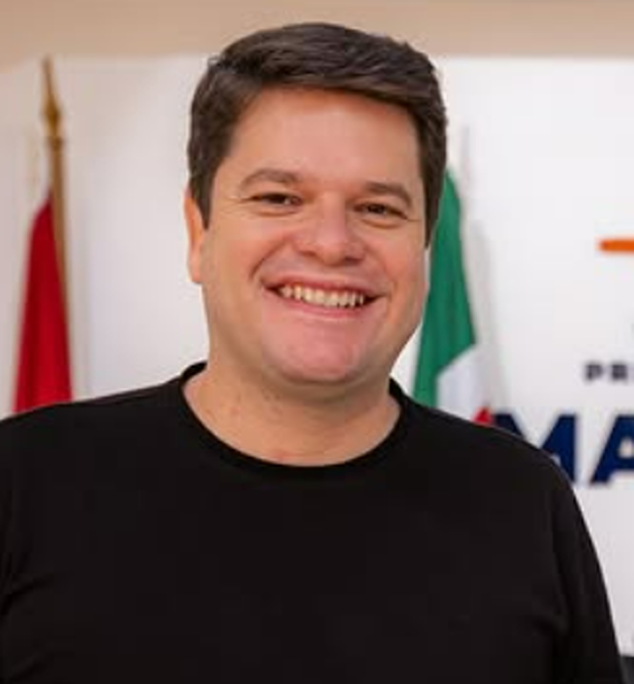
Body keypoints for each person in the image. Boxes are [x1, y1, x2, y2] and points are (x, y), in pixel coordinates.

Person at [0, 22, 624, 684]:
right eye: (279, 198)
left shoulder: (522, 502)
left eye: (378, 209)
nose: (331, 243)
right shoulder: (24, 483)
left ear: (424, 244)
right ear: (198, 230)